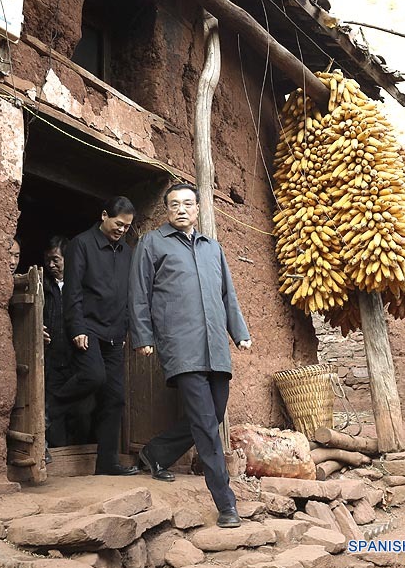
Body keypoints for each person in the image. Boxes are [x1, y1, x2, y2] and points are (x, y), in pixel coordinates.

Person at [128, 182, 251, 528]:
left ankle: (156, 452)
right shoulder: (152, 243)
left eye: (187, 204)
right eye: (174, 204)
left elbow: (228, 294)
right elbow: (139, 293)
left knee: (213, 414)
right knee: (206, 424)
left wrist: (239, 332)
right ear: (167, 210)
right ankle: (225, 503)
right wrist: (143, 335)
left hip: (216, 346)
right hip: (180, 343)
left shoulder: (213, 248)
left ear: (197, 209)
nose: (181, 209)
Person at [53, 196, 139, 476]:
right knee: (93, 376)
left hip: (115, 333)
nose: (122, 230)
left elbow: (129, 293)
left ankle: (107, 462)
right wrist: (77, 327)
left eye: (127, 227)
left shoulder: (127, 252)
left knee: (115, 398)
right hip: (88, 328)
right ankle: (49, 409)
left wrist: (125, 328)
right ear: (104, 215)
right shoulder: (81, 244)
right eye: (118, 224)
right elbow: (73, 290)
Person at [41, 235, 77, 447]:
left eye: (55, 259)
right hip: (52, 359)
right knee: (54, 413)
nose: (51, 265)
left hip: (76, 359)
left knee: (81, 412)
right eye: (48, 260)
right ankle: (59, 452)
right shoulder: (43, 286)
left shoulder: (79, 284)